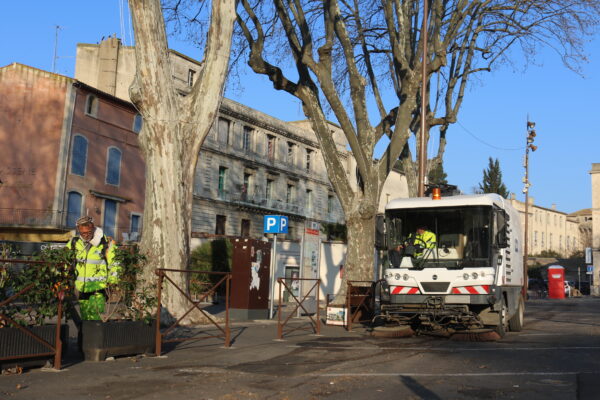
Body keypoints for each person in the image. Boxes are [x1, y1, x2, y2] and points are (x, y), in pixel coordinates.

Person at [67, 216, 120, 320]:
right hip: (82, 288)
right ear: (79, 230)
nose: (86, 235)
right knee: (85, 317)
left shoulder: (106, 243)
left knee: (95, 317)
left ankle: (93, 336)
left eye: (88, 232)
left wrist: (113, 282)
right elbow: (64, 261)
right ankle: (86, 336)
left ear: (93, 228)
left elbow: (114, 264)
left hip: (99, 287)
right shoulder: (74, 243)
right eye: (83, 233)